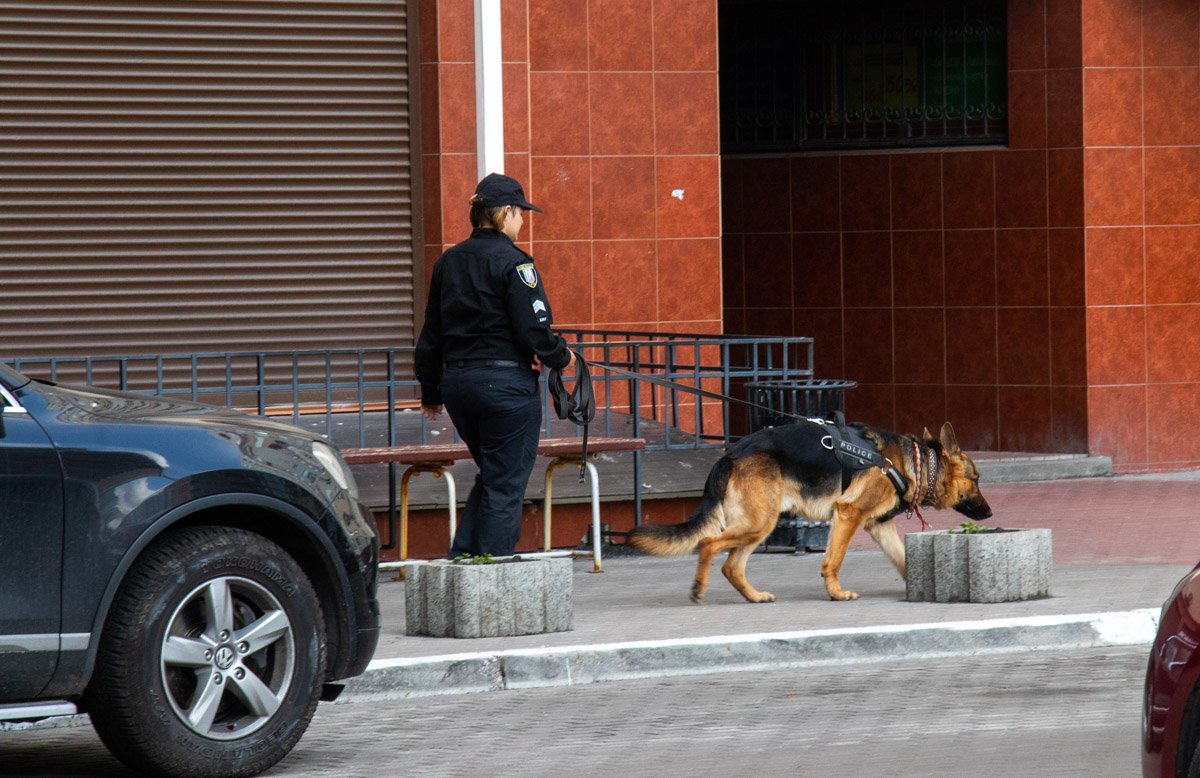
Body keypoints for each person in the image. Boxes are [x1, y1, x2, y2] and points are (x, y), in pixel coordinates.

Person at [414, 173, 575, 558]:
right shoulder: (516, 265)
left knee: (494, 475)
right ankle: (494, 575)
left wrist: (432, 391)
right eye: (521, 213)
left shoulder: (448, 262)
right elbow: (534, 332)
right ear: (504, 213)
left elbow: (431, 333)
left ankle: (464, 559)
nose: (522, 221)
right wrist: (561, 356)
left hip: (459, 387)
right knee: (506, 484)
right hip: (505, 387)